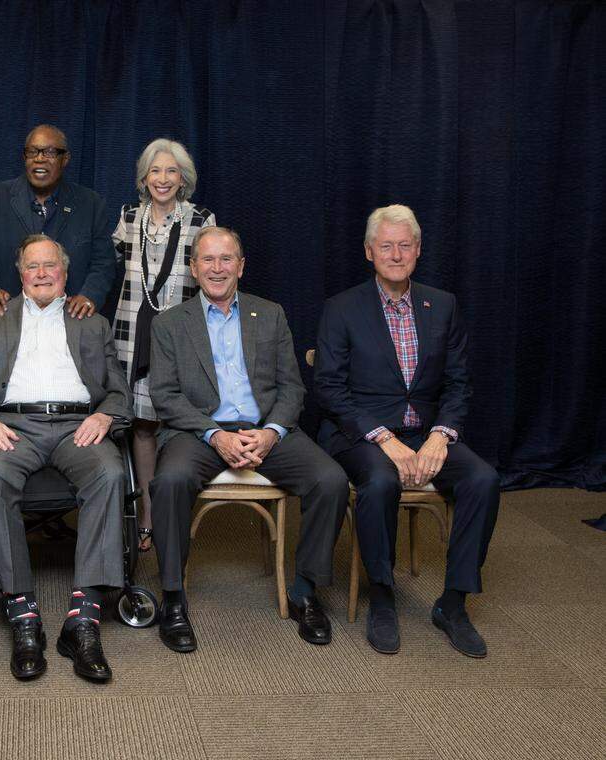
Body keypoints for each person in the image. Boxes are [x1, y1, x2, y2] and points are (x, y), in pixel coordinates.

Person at [149, 227, 349, 652]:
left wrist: (272, 432)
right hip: (199, 431)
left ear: (241, 266)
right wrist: (215, 433)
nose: (217, 268)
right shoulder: (169, 324)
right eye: (207, 260)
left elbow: (291, 387)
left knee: (330, 480)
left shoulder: (270, 313)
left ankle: (305, 591)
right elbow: (165, 397)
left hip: (265, 429)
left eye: (226, 259)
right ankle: (172, 597)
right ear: (193, 268)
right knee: (169, 481)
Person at [314, 204, 500, 658]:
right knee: (378, 482)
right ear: (368, 252)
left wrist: (442, 435)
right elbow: (329, 389)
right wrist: (384, 438)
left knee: (483, 479)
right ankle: (382, 595)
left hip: (428, 433)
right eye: (386, 246)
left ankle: (453, 604)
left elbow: (459, 383)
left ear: (417, 250)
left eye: (405, 245)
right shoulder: (342, 308)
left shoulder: (443, 304)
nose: (396, 254)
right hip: (362, 434)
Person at [0, 234, 131, 683]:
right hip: (13, 426)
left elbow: (118, 389)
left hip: (78, 426)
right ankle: (22, 612)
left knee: (110, 473)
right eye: (33, 266)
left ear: (65, 273)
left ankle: (83, 619)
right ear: (20, 273)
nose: (42, 273)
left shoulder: (92, 322)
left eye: (51, 265)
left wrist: (107, 415)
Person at [111, 138, 216, 552]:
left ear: (183, 178)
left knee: (180, 421)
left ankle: (176, 513)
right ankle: (148, 517)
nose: (163, 179)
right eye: (156, 171)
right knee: (142, 425)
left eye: (172, 171)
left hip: (182, 336)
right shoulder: (128, 217)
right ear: (144, 177)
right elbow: (117, 264)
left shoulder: (201, 219)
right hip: (132, 333)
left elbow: (211, 273)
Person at [0, 124, 117, 320]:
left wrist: (90, 295)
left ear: (65, 159)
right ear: (24, 157)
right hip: (6, 320)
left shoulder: (91, 204)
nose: (40, 158)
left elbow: (104, 262)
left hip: (70, 321)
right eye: (32, 151)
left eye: (50, 152)